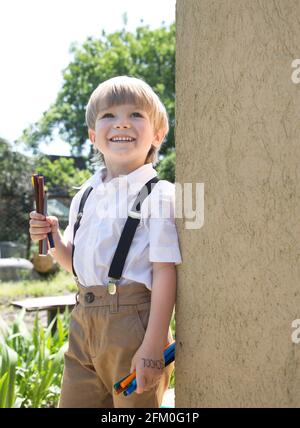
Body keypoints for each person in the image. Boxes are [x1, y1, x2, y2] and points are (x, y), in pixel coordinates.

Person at [29, 76, 182, 408]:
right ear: (93, 136)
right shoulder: (85, 194)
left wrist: (154, 346)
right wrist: (53, 237)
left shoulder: (159, 194)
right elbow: (75, 264)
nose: (122, 122)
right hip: (83, 322)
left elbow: (165, 272)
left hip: (132, 324)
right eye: (109, 115)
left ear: (157, 136)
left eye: (136, 115)